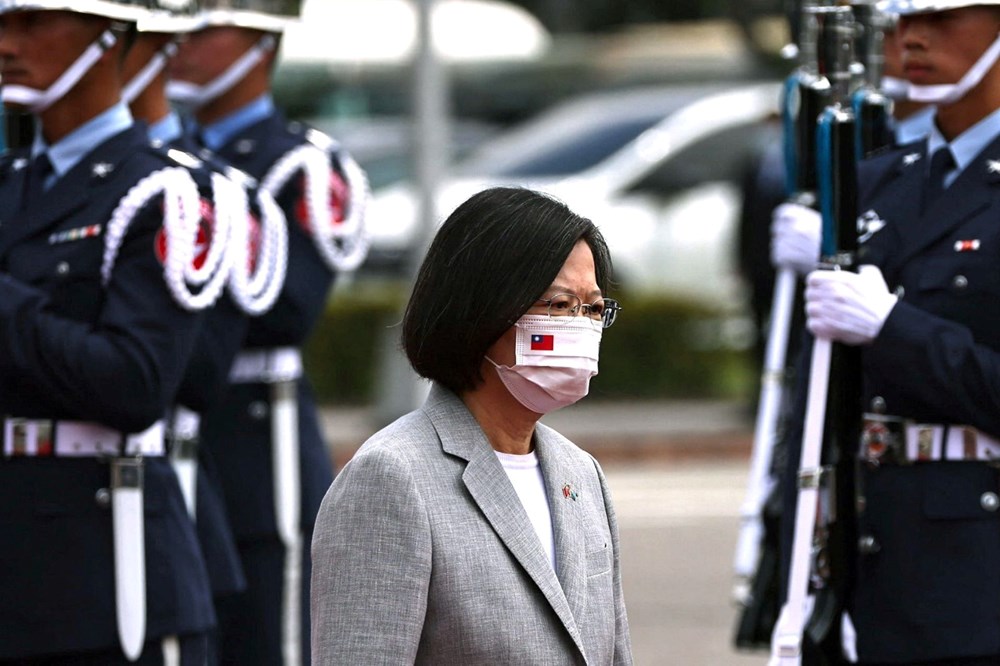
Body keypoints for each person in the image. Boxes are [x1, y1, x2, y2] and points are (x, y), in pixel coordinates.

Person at [310, 186, 633, 664]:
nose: (580, 326)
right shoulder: (392, 478)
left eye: (592, 309)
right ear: (482, 310)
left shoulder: (580, 473)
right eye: (560, 305)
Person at [776, 1, 1000, 663]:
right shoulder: (874, 183)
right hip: (869, 563)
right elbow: (818, 402)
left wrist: (893, 329)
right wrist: (794, 570)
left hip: (980, 578)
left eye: (944, 16)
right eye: (900, 21)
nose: (913, 38)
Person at [0, 1, 221, 662]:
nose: (7, 43)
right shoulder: (9, 184)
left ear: (108, 34)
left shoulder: (162, 192)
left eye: (35, 22)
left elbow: (135, 384)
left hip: (96, 562)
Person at [166, 1, 369, 664]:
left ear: (261, 41)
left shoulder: (299, 166)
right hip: (175, 436)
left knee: (267, 640)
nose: (182, 43)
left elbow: (285, 309)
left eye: (204, 26)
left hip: (256, 440)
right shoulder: (167, 161)